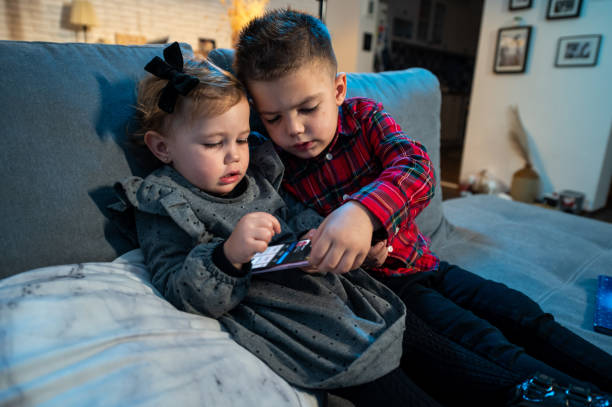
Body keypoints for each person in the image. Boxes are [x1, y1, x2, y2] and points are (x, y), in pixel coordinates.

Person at [233, 9, 612, 406]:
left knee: (525, 315)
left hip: (427, 262)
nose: (293, 128)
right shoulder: (270, 163)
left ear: (339, 90)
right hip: (392, 292)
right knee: (484, 342)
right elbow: (285, 238)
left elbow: (415, 167)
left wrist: (363, 213)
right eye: (274, 117)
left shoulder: (364, 118)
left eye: (309, 108)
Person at [112, 41, 466, 406]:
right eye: (214, 144)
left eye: (242, 139)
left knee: (441, 354)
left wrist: (318, 232)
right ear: (162, 148)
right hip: (298, 323)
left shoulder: (257, 173)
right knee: (392, 387)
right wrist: (227, 255)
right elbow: (177, 287)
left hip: (342, 292)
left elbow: (294, 214)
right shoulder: (163, 202)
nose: (234, 155)